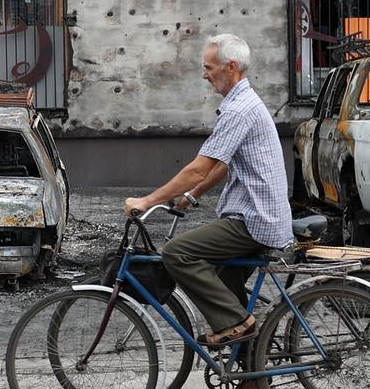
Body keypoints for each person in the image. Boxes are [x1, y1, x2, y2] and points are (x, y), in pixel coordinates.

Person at [123, 33, 293, 347]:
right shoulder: (244, 103)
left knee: (177, 252)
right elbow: (224, 165)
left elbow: (199, 168)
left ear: (231, 67)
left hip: (254, 220)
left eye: (208, 67)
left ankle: (238, 324)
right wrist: (193, 194)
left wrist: (147, 201)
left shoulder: (238, 111)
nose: (204, 75)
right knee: (226, 288)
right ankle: (249, 372)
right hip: (260, 215)